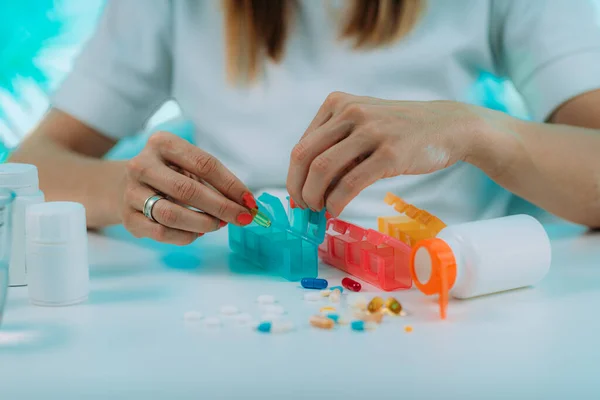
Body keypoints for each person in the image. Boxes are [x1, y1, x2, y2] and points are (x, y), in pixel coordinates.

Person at [10, 0, 600, 246]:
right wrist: (125, 191)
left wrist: (472, 129)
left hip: (447, 297)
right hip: (222, 298)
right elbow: (26, 172)